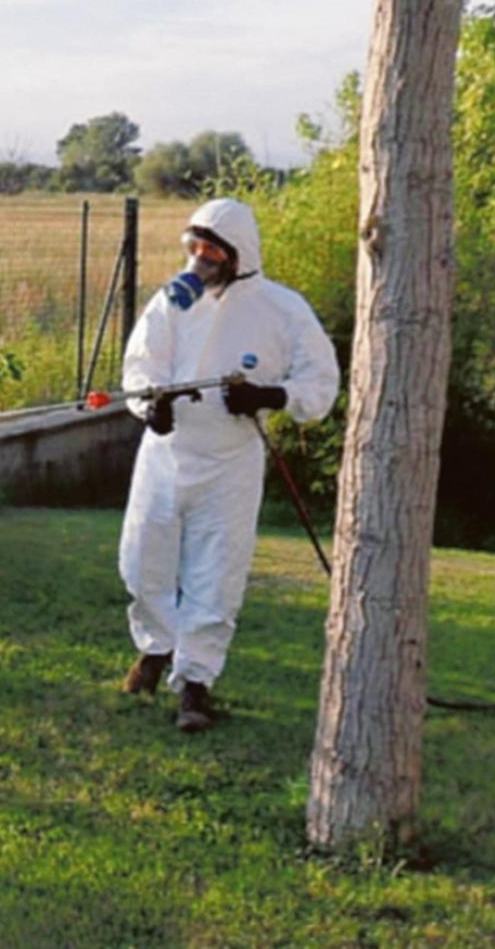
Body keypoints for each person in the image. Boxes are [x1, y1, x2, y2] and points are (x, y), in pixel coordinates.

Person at [118, 198, 340, 732]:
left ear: (239, 254)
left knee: (215, 573)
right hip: (165, 456)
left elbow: (320, 383)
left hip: (230, 463)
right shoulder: (172, 301)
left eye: (212, 250)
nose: (200, 258)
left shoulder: (282, 309)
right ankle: (155, 648)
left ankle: (196, 682)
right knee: (143, 559)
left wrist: (270, 395)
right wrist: (150, 406)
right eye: (194, 247)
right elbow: (141, 365)